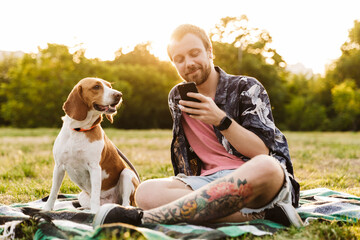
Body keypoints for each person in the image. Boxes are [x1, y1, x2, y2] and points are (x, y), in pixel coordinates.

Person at [93, 24, 303, 228]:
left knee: (267, 167)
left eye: (195, 53)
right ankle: (265, 215)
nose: (189, 63)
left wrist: (221, 120)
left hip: (253, 179)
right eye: (180, 59)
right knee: (145, 192)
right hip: (207, 184)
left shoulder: (246, 87)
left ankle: (145, 219)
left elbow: (262, 152)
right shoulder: (176, 97)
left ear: (210, 51)